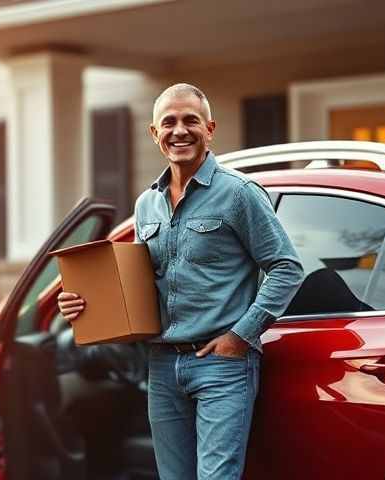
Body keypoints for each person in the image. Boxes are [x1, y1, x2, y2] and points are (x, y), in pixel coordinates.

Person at [57, 83, 304, 479]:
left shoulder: (239, 193)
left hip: (221, 365)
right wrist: (80, 303)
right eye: (168, 123)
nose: (179, 131)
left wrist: (240, 336)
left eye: (190, 120)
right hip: (162, 364)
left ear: (210, 128)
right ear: (154, 134)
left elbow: (287, 267)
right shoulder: (146, 204)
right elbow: (133, 284)